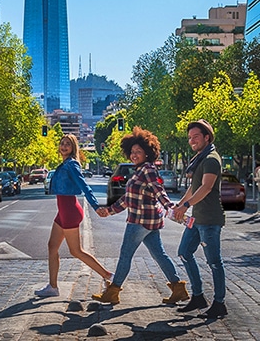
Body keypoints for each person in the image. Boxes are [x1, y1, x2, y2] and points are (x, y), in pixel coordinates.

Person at [93, 127, 188, 306]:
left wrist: (171, 206)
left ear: (147, 153)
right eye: (132, 151)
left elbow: (158, 190)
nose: (134, 154)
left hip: (140, 221)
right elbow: (128, 199)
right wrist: (110, 211)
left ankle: (113, 292)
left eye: (139, 151)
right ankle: (178, 288)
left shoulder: (148, 170)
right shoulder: (139, 171)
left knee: (125, 255)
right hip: (150, 221)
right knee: (159, 254)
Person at [35, 134, 113, 298]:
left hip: (69, 210)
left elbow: (84, 186)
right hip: (63, 211)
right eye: (62, 144)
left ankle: (108, 276)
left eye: (67, 145)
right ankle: (53, 287)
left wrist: (95, 205)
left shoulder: (71, 164)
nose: (64, 147)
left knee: (76, 251)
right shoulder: (64, 164)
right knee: (52, 247)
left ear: (73, 148)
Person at [171, 119, 227, 319]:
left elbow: (206, 187)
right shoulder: (201, 159)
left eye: (196, 136)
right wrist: (180, 204)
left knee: (214, 262)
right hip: (197, 219)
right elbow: (194, 187)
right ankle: (198, 296)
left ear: (206, 137)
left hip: (210, 220)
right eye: (190, 137)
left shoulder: (211, 159)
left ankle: (219, 303)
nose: (192, 140)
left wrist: (186, 205)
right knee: (184, 253)